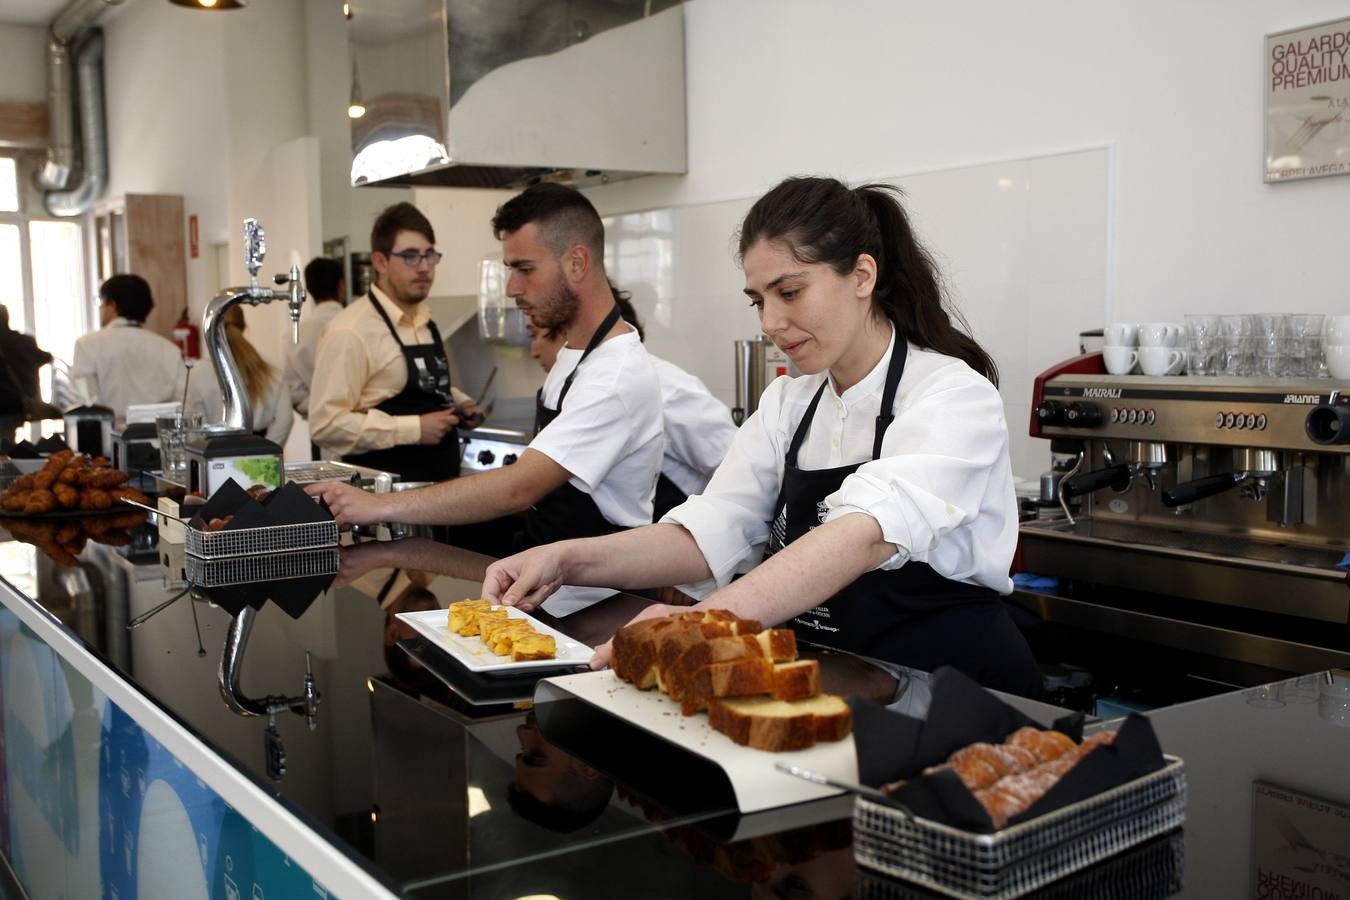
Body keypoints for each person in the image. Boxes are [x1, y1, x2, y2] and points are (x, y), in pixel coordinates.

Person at [480, 176, 1042, 697]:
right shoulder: (789, 405)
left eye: (790, 292)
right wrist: (561, 561)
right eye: (759, 300)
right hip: (832, 677)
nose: (769, 322)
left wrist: (702, 623)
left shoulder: (951, 395)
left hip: (952, 690)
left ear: (863, 277)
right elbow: (709, 531)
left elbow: (864, 535)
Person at [308, 183, 665, 553]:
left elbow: (519, 488)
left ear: (576, 263)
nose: (511, 288)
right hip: (553, 577)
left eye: (525, 269)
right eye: (510, 269)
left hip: (594, 595)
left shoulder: (615, 375)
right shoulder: (574, 356)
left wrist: (380, 506)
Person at [527, 285, 737, 521]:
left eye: (535, 335)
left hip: (668, 533)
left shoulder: (662, 384)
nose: (533, 351)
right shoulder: (573, 381)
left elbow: (734, 467)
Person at [308, 202, 482, 482]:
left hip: (440, 489)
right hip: (384, 500)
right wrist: (413, 429)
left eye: (429, 255)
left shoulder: (424, 319)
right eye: (411, 256)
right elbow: (326, 425)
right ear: (380, 262)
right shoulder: (350, 331)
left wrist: (459, 402)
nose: (425, 267)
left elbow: (405, 383)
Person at [70, 274, 186, 422]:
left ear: (112, 305)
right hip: (159, 439)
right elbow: (183, 403)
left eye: (102, 303)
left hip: (108, 439)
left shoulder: (87, 345)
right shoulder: (170, 350)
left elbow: (86, 403)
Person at [190, 305, 293, 445]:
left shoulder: (197, 372)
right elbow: (285, 419)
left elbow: (195, 427)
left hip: (214, 457)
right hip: (260, 452)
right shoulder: (271, 368)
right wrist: (265, 453)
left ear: (210, 328)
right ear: (243, 326)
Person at [284, 256, 346, 419]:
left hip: (319, 426)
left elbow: (294, 392)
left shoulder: (293, 336)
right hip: (365, 424)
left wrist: (322, 410)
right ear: (342, 285)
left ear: (308, 290)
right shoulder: (361, 325)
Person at [0, 305, 59, 430]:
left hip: (5, 409)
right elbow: (46, 357)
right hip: (27, 406)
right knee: (27, 445)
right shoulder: (25, 341)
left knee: (7, 446)